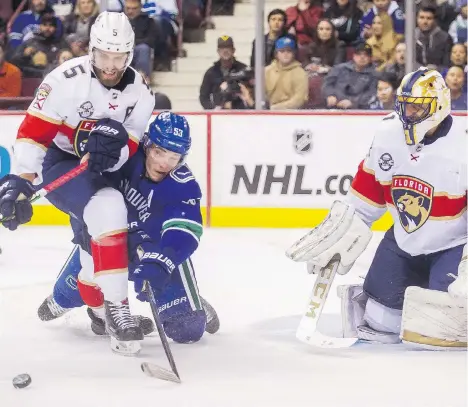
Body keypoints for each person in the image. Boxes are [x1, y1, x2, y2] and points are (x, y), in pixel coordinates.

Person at [0, 12, 155, 355]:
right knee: (109, 207)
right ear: (92, 49)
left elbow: (132, 139)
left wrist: (112, 155)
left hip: (106, 170)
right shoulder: (63, 81)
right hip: (63, 163)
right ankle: (118, 310)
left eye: (119, 57)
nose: (110, 65)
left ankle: (94, 309)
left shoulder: (141, 92)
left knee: (93, 245)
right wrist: (23, 179)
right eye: (104, 56)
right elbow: (34, 133)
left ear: (129, 55)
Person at [287, 67, 467, 350]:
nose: (408, 115)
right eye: (405, 107)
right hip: (404, 241)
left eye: (418, 108)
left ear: (440, 105)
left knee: (440, 324)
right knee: (382, 322)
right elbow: (365, 197)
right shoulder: (387, 133)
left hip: (452, 245)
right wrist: (343, 229)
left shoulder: (464, 142)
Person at [37, 112, 220, 343]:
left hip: (155, 250)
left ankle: (192, 301)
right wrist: (86, 235)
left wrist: (163, 261)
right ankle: (96, 314)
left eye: (174, 157)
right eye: (159, 152)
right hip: (111, 241)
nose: (165, 163)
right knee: (63, 297)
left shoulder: (182, 184)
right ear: (147, 145)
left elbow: (185, 229)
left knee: (187, 329)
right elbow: (84, 197)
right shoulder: (121, 159)